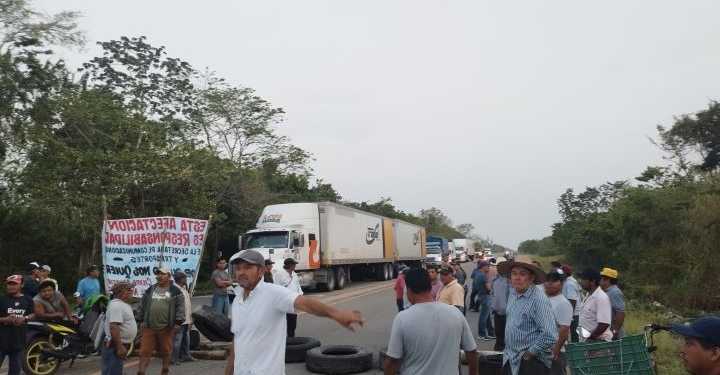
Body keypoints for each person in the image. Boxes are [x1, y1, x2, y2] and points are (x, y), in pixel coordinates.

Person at [224, 250, 363, 375]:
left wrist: (336, 314)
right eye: (238, 268)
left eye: (247, 267)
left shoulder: (272, 293)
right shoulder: (237, 302)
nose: (241, 272)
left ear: (261, 271)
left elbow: (305, 303)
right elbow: (238, 340)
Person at [384, 268, 478, 375]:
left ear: (408, 290)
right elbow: (471, 351)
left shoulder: (402, 318)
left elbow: (392, 361)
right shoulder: (455, 313)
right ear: (429, 287)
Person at [497, 260, 557, 375]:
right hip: (511, 358)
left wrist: (529, 354)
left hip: (531, 363)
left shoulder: (538, 300)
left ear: (531, 278)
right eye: (514, 273)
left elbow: (550, 335)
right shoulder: (513, 293)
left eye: (522, 274)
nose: (517, 277)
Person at [136, 266, 186, 375]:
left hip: (166, 328)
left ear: (168, 276)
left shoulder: (175, 291)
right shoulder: (151, 289)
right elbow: (142, 304)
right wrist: (139, 320)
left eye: (162, 274)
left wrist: (178, 322)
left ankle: (165, 370)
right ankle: (141, 372)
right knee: (144, 351)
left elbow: (180, 307)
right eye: (158, 274)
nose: (159, 276)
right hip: (149, 327)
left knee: (166, 351)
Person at [0, 275, 35, 375]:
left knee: (15, 371)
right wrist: (5, 319)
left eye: (14, 284)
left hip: (18, 342)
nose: (11, 286)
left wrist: (25, 318)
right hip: (1, 341)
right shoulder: (2, 300)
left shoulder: (28, 300)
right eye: (9, 284)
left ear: (22, 285)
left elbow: (33, 314)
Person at [102, 282, 137, 375]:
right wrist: (119, 347)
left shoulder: (122, 304)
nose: (131, 291)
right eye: (128, 289)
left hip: (118, 345)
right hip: (115, 346)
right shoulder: (116, 305)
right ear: (120, 292)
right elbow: (114, 327)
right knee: (112, 371)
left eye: (131, 289)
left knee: (115, 371)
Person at [544, 271, 572, 375]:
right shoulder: (544, 299)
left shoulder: (563, 303)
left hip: (555, 351)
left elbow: (564, 330)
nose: (549, 283)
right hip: (543, 350)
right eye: (547, 281)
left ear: (561, 283)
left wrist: (555, 351)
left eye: (554, 281)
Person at [577, 268, 612, 342]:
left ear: (592, 281)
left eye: (583, 279)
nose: (581, 282)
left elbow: (604, 323)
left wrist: (591, 338)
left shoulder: (601, 297)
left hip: (598, 342)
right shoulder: (587, 295)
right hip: (587, 342)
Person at [274, 258, 304, 338]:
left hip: (293, 302)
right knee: (284, 322)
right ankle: (283, 339)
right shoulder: (279, 274)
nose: (295, 266)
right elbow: (276, 287)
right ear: (289, 265)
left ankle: (291, 338)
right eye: (294, 264)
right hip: (284, 302)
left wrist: (300, 295)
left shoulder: (294, 274)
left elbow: (298, 286)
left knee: (292, 322)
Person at [172, 271, 195, 365]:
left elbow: (187, 305)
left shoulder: (184, 289)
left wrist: (190, 319)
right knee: (177, 340)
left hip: (186, 319)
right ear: (181, 279)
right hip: (179, 320)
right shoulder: (174, 290)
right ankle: (174, 359)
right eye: (185, 278)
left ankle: (186, 355)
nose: (186, 280)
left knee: (186, 339)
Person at [600, 267, 625, 340]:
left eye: (602, 278)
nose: (600, 280)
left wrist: (615, 331)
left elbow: (620, 313)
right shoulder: (607, 292)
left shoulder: (615, 292)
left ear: (607, 280)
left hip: (613, 334)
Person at [491, 258, 511, 351]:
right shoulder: (495, 280)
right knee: (498, 335)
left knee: (507, 338)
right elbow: (494, 295)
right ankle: (498, 354)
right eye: (498, 267)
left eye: (501, 267)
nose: (498, 269)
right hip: (497, 313)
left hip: (507, 314)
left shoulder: (509, 281)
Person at [560, 265, 582, 343]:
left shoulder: (570, 283)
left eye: (561, 273)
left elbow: (572, 301)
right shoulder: (569, 281)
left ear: (565, 273)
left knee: (574, 336)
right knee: (573, 335)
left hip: (573, 315)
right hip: (572, 314)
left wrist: (569, 316)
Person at [474, 261, 495, 340]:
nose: (489, 268)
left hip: (481, 295)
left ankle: (490, 333)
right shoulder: (483, 275)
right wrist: (493, 291)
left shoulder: (477, 274)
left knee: (487, 316)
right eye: (488, 266)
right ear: (483, 267)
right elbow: (488, 288)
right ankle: (481, 334)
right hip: (485, 296)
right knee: (484, 316)